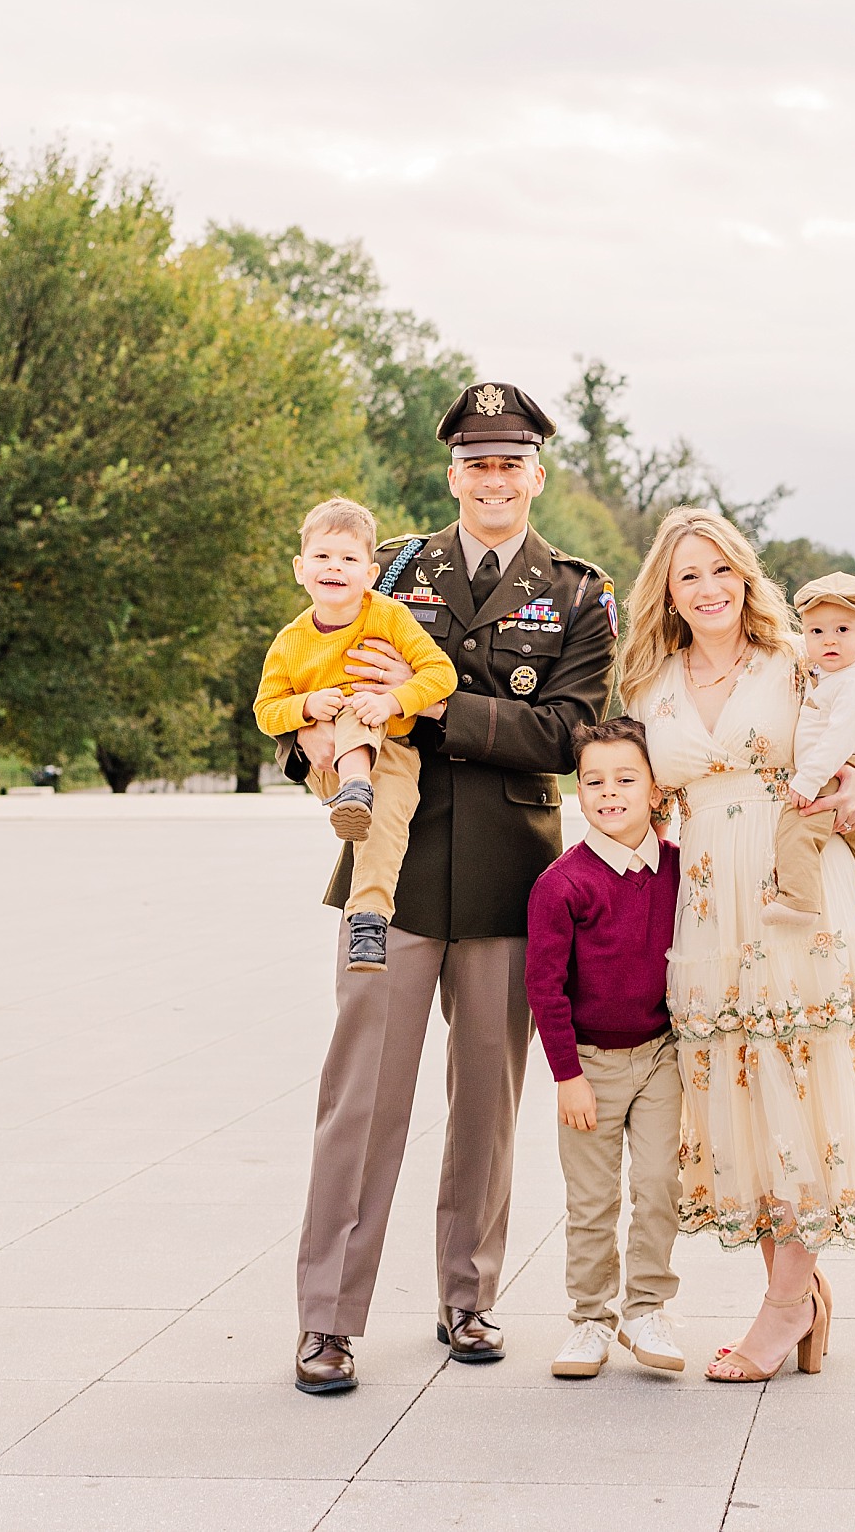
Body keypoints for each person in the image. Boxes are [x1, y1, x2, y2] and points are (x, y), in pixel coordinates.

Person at [289, 381, 616, 1396]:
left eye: (510, 462)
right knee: (360, 1101)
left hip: (512, 881)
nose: (493, 479)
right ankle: (328, 1319)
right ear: (452, 474)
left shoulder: (576, 593)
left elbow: (570, 732)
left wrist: (431, 709)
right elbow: (319, 677)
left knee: (486, 1104)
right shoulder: (390, 569)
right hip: (388, 876)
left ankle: (467, 1295)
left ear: (536, 475)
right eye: (477, 463)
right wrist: (325, 733)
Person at [618, 506, 855, 1384]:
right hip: (709, 903)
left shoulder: (796, 660)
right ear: (667, 593)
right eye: (688, 576)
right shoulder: (648, 683)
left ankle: (785, 1306)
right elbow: (635, 796)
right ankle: (799, 1295)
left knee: (799, 1085)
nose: (708, 589)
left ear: (746, 578)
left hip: (797, 895)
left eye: (722, 571)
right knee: (743, 1094)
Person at [524, 716, 686, 1380]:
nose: (609, 792)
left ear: (655, 789)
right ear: (578, 790)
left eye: (625, 779)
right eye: (594, 781)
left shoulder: (680, 869)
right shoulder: (562, 884)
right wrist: (567, 1075)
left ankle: (647, 1307)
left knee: (659, 1184)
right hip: (589, 1065)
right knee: (592, 1200)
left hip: (661, 1056)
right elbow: (544, 987)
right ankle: (590, 1317)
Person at [252, 497, 458, 974]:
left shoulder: (387, 615)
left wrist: (392, 701)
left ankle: (368, 922)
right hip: (328, 764)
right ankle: (354, 789)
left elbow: (440, 673)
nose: (334, 567)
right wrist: (306, 707)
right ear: (300, 569)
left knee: (384, 831)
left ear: (370, 573)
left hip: (393, 753)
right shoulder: (289, 642)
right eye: (322, 556)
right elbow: (265, 711)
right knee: (348, 707)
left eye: (348, 558)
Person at [763, 571, 855, 973]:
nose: (829, 640)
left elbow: (837, 739)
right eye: (817, 631)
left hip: (839, 774)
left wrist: (807, 781)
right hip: (851, 768)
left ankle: (798, 899)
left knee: (798, 825)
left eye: (842, 630)